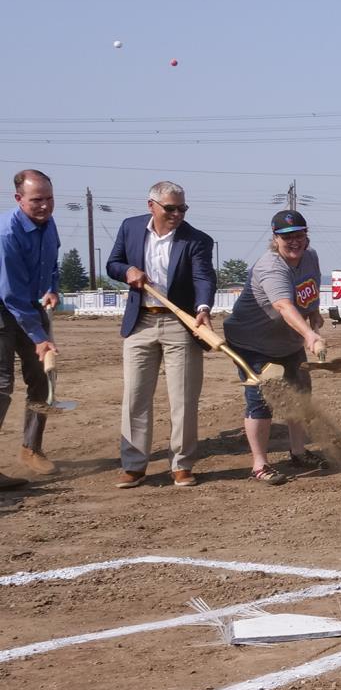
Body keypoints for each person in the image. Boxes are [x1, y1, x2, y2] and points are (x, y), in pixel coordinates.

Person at [104, 181, 216, 488]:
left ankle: (181, 464)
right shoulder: (130, 228)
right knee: (136, 397)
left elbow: (204, 277)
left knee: (183, 398)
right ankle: (134, 465)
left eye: (183, 208)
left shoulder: (197, 240)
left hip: (180, 325)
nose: (178, 214)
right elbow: (112, 264)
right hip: (140, 322)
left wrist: (203, 308)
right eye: (171, 208)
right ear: (151, 205)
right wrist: (127, 271)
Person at [222, 210, 328, 485]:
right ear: (275, 238)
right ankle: (260, 464)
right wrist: (309, 334)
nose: (294, 242)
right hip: (252, 343)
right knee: (261, 399)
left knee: (299, 394)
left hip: (288, 340)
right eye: (287, 237)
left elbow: (309, 288)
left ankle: (299, 452)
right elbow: (283, 305)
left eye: (299, 235)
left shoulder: (311, 256)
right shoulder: (270, 267)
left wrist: (314, 311)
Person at [0, 169, 61, 487]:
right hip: (3, 309)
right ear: (18, 199)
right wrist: (39, 337)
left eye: (49, 199)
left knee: (43, 378)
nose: (45, 206)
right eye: (37, 200)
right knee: (1, 384)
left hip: (31, 305)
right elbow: (10, 294)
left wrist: (52, 288)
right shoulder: (7, 234)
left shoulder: (50, 225)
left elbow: (52, 266)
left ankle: (31, 447)